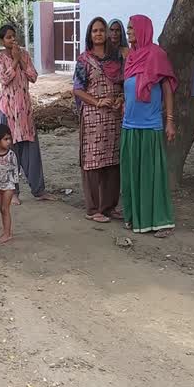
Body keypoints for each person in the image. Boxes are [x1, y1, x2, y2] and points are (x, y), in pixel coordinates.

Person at [120, 15, 178, 238]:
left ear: (143, 29)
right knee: (133, 174)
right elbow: (129, 89)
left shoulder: (156, 54)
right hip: (130, 125)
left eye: (132, 28)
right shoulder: (132, 56)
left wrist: (170, 121)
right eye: (128, 28)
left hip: (150, 125)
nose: (129, 31)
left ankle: (161, 221)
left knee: (153, 175)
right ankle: (137, 217)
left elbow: (167, 90)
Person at [0, 25, 56, 205]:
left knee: (32, 151)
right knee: (10, 150)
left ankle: (39, 189)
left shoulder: (25, 55)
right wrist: (13, 61)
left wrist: (20, 59)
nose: (12, 40)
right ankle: (13, 192)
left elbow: (33, 76)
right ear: (2, 41)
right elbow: (5, 79)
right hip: (8, 111)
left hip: (25, 111)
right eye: (8, 37)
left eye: (14, 37)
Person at [72, 17, 124, 224]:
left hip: (113, 116)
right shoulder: (84, 60)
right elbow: (77, 89)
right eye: (95, 31)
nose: (99, 34)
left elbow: (121, 84)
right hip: (94, 116)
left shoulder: (116, 59)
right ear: (90, 34)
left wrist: (119, 99)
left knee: (113, 161)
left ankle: (109, 207)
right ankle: (93, 209)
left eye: (102, 30)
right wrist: (97, 101)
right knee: (93, 161)